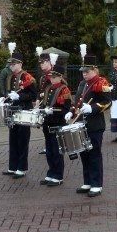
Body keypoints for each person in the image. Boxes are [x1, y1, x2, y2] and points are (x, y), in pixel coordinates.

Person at [65, 49, 111, 197]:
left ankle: (97, 184)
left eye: (87, 71)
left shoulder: (101, 83)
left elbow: (107, 102)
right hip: (81, 124)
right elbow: (77, 102)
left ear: (94, 70)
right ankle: (88, 182)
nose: (84, 74)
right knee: (84, 154)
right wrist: (71, 112)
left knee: (94, 154)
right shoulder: (82, 84)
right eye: (83, 72)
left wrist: (92, 108)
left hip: (95, 125)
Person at [0, 52, 37, 178]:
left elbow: (33, 95)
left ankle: (22, 168)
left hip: (24, 111)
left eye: (14, 63)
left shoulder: (27, 77)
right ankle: (13, 167)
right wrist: (5, 98)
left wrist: (19, 96)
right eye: (10, 64)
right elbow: (10, 93)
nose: (11, 65)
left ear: (20, 64)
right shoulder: (10, 77)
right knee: (13, 139)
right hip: (13, 111)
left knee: (22, 140)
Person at [38, 53, 71, 186]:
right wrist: (41, 110)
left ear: (60, 77)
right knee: (49, 151)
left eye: (55, 77)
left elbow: (66, 109)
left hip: (57, 123)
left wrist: (52, 111)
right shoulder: (49, 88)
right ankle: (51, 173)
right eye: (51, 77)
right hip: (48, 123)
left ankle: (58, 176)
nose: (52, 79)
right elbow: (45, 103)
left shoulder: (64, 90)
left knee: (56, 150)